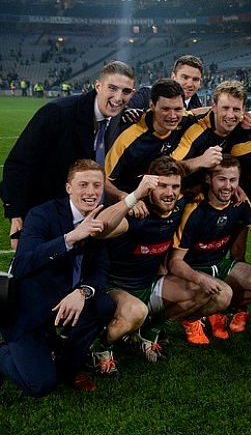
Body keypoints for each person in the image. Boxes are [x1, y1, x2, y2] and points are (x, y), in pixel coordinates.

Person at [88, 157, 224, 373]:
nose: (169, 192)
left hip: (149, 286)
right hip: (115, 289)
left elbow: (212, 190)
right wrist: (132, 198)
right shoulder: (137, 213)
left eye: (174, 186)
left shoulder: (178, 208)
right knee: (136, 311)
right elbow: (99, 229)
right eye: (162, 186)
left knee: (212, 292)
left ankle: (147, 333)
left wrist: (236, 192)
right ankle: (99, 348)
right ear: (149, 185)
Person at [0, 160, 115, 396]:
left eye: (97, 185)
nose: (91, 192)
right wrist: (71, 238)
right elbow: (21, 265)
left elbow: (100, 271)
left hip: (63, 302)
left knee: (103, 305)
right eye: (83, 185)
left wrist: (82, 292)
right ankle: (5, 352)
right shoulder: (42, 214)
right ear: (68, 188)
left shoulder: (100, 216)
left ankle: (67, 365)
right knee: (40, 385)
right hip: (29, 312)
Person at [1, 61, 135, 249]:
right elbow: (19, 163)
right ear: (97, 86)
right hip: (46, 210)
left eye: (126, 92)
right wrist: (16, 216)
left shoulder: (117, 118)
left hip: (83, 212)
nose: (118, 97)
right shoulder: (58, 113)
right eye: (112, 88)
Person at [170, 155, 251, 344]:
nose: (228, 186)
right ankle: (191, 318)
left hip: (219, 263)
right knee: (224, 296)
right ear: (208, 179)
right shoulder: (194, 209)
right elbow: (175, 262)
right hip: (192, 269)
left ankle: (212, 310)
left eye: (233, 180)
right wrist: (199, 278)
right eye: (221, 179)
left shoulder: (239, 202)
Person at [105, 79, 191, 210]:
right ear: (152, 105)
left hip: (160, 199)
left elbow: (201, 113)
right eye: (165, 109)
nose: (173, 116)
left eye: (178, 109)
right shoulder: (127, 139)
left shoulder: (183, 121)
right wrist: (126, 198)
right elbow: (103, 180)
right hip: (129, 203)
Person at [127, 55, 204, 111]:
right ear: (173, 77)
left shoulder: (199, 109)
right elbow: (122, 112)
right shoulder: (147, 94)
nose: (190, 84)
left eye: (195, 79)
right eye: (185, 77)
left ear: (200, 82)